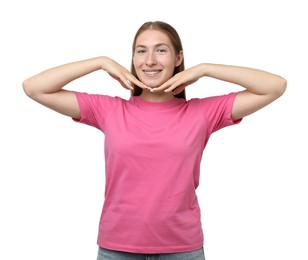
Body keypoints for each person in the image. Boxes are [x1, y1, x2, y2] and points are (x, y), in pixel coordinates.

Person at [22, 21, 287, 260]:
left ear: (178, 57)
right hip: (117, 247)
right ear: (133, 59)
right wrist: (100, 62)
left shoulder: (202, 112)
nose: (150, 60)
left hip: (182, 248)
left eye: (161, 50)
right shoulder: (110, 110)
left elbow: (274, 86)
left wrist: (205, 69)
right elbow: (34, 87)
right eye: (141, 51)